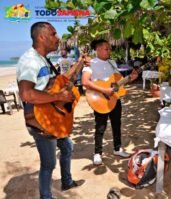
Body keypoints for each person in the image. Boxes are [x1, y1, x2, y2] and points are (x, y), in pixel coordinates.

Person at [16, 22, 86, 199]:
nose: (58, 38)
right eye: (54, 34)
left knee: (67, 146)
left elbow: (60, 80)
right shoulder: (30, 61)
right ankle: (45, 197)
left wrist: (79, 63)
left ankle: (66, 181)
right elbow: (26, 94)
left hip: (53, 115)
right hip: (40, 120)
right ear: (41, 37)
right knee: (48, 163)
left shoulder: (43, 59)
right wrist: (59, 97)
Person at [82, 39, 138, 165]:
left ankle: (117, 148)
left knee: (117, 124)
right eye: (107, 48)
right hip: (100, 99)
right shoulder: (91, 63)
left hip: (114, 98)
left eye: (110, 48)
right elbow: (85, 82)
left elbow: (117, 82)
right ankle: (97, 153)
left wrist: (130, 78)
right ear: (98, 49)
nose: (110, 51)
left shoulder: (112, 63)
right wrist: (104, 90)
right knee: (100, 127)